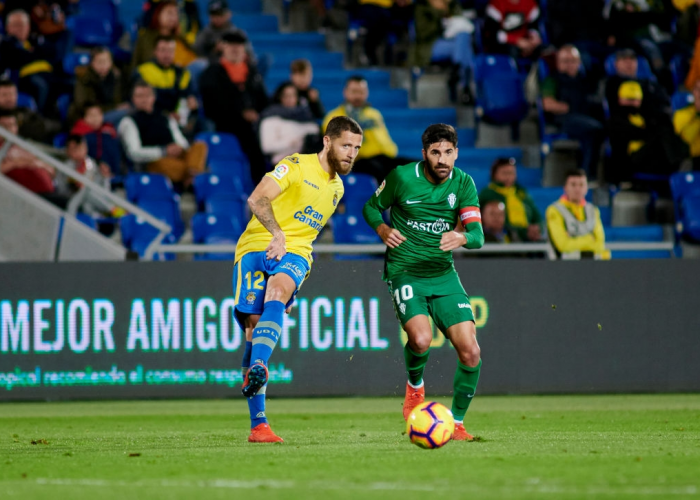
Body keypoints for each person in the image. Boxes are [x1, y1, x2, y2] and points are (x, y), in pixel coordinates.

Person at [233, 116, 364, 443]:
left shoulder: (337, 188)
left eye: (357, 148)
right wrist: (276, 234)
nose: (351, 153)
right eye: (346, 145)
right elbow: (256, 199)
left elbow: (303, 236)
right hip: (254, 246)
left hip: (296, 253)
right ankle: (258, 426)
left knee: (276, 295)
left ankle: (261, 367)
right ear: (327, 142)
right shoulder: (294, 166)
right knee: (253, 326)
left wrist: (286, 250)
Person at [362, 123, 484, 441]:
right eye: (435, 153)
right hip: (405, 272)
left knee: (471, 351)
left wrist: (461, 236)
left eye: (448, 152)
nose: (442, 160)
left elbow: (478, 236)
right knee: (420, 339)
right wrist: (383, 230)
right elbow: (371, 207)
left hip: (443, 275)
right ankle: (415, 388)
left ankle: (455, 423)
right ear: (424, 154)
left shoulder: (464, 183)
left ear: (456, 152)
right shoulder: (402, 177)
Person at [199, 31, 269, 183]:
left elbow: (263, 100)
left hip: (255, 124)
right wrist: (241, 113)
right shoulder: (212, 73)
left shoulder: (252, 72)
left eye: (239, 45)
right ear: (223, 47)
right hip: (226, 123)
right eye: (231, 45)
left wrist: (257, 113)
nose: (235, 49)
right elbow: (211, 104)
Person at [322, 75, 412, 182]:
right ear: (345, 92)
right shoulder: (334, 117)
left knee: (415, 167)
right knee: (378, 170)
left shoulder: (374, 114)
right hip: (357, 161)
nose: (358, 96)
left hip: (383, 157)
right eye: (354, 91)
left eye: (361, 92)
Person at [118, 81, 207, 185]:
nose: (144, 99)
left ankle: (191, 176)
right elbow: (134, 152)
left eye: (147, 95)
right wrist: (163, 151)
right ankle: (195, 177)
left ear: (153, 97)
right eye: (140, 96)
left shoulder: (165, 117)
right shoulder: (129, 121)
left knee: (200, 146)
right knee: (164, 164)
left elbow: (181, 141)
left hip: (177, 156)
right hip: (155, 160)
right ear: (133, 99)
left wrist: (179, 148)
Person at [541, 45, 605, 177]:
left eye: (573, 60)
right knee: (595, 130)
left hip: (587, 118)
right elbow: (548, 104)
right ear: (558, 63)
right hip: (565, 120)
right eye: (565, 61)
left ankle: (587, 175)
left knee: (595, 132)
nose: (570, 64)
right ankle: (588, 175)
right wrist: (570, 107)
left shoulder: (587, 80)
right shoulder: (552, 80)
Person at [607, 81, 686, 184]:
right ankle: (679, 163)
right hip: (630, 161)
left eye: (635, 100)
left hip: (650, 156)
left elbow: (647, 133)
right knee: (663, 132)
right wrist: (651, 133)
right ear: (620, 99)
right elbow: (635, 133)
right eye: (628, 100)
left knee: (666, 131)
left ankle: (680, 164)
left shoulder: (644, 116)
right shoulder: (615, 119)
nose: (631, 103)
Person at [546, 168, 610, 260]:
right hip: (564, 267)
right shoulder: (555, 210)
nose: (577, 189)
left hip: (593, 266)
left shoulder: (593, 210)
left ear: (587, 187)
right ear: (565, 187)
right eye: (573, 185)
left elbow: (600, 245)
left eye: (581, 184)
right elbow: (563, 245)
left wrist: (573, 239)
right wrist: (589, 239)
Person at [56, 134, 125, 218]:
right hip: (72, 195)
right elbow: (64, 187)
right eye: (74, 149)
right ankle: (112, 209)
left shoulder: (91, 164)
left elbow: (103, 189)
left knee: (87, 202)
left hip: (91, 197)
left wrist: (105, 178)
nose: (78, 151)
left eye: (80, 147)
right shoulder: (66, 166)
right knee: (86, 189)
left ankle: (93, 218)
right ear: (68, 150)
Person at [0, 10, 53, 112]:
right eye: (16, 25)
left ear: (28, 27)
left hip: (43, 74)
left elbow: (52, 52)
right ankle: (39, 115)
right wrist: (36, 54)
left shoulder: (34, 39)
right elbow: (17, 58)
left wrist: (31, 55)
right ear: (7, 27)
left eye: (23, 25)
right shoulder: (6, 43)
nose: (20, 28)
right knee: (39, 84)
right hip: (18, 79)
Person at [478, 157, 542, 242]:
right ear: (494, 174)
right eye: (505, 173)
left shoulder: (521, 193)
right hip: (504, 238)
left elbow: (536, 216)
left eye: (512, 173)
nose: (509, 177)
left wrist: (537, 228)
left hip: (529, 237)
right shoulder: (488, 193)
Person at [134, 35, 198, 115]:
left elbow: (189, 98)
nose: (167, 55)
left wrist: (192, 101)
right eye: (163, 50)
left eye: (170, 51)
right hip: (150, 115)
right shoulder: (143, 71)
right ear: (155, 51)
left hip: (177, 117)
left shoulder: (183, 74)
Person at [259, 82, 320, 165]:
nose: (289, 99)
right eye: (286, 95)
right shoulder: (270, 119)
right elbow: (267, 147)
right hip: (282, 164)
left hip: (306, 163)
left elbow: (315, 130)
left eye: (293, 95)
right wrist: (292, 142)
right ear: (280, 97)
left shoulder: (306, 116)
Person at [70, 47, 129, 126]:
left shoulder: (115, 77)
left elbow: (117, 99)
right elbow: (85, 106)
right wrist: (114, 107)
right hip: (88, 117)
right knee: (126, 114)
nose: (104, 65)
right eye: (100, 61)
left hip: (109, 113)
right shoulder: (84, 79)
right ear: (92, 63)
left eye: (107, 61)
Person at [132, 0, 197, 71]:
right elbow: (137, 63)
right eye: (169, 13)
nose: (173, 18)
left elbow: (193, 58)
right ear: (158, 13)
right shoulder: (146, 38)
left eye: (176, 14)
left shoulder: (180, 38)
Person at [0, 78, 60, 144]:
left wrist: (21, 129)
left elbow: (50, 126)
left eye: (12, 94)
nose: (9, 99)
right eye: (4, 95)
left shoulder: (25, 113)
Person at [70, 102, 122, 176]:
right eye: (91, 115)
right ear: (83, 118)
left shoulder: (109, 132)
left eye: (98, 115)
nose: (95, 118)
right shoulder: (78, 136)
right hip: (89, 174)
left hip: (112, 173)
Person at [673, 79, 700, 170]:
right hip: (691, 159)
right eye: (698, 90)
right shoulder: (681, 114)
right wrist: (698, 115)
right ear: (694, 92)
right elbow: (686, 140)